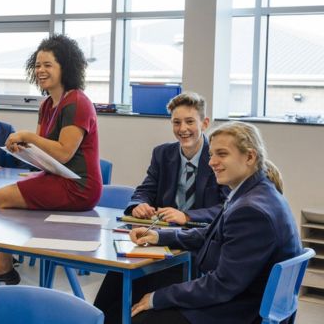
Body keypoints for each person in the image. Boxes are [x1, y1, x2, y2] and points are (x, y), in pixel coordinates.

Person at [96, 121, 302, 324]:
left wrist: (157, 298)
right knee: (121, 285)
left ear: (249, 156)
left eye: (222, 154)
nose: (211, 162)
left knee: (141, 313)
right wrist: (159, 236)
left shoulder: (251, 210)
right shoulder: (255, 193)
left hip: (242, 311)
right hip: (243, 298)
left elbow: (221, 285)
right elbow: (212, 233)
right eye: (211, 154)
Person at [0, 34, 102, 284]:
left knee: (0, 197)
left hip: (79, 185)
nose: (40, 70)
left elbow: (63, 152)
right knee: (2, 195)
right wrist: (24, 147)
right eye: (37, 65)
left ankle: (1, 270)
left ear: (64, 67)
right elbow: (44, 153)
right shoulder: (47, 104)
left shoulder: (78, 102)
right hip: (59, 178)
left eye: (48, 65)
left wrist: (27, 135)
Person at [124, 92, 226, 225]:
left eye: (190, 121)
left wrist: (187, 216)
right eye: (176, 122)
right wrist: (139, 205)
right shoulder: (162, 154)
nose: (183, 129)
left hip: (202, 233)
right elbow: (146, 190)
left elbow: (227, 206)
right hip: (164, 230)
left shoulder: (219, 158)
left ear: (204, 124)